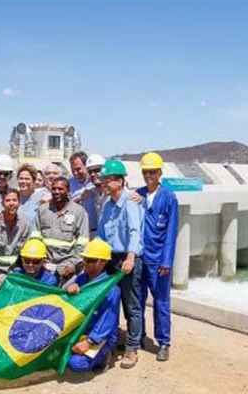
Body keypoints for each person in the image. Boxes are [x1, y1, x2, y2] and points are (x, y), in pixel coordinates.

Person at [97, 158, 144, 369]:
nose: (104, 183)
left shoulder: (131, 203)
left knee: (131, 305)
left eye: (107, 179)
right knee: (111, 303)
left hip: (129, 257)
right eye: (103, 179)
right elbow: (101, 235)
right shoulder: (107, 205)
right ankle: (110, 345)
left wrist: (131, 258)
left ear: (120, 181)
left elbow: (135, 232)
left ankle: (132, 348)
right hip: (111, 259)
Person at [137, 153, 178, 362]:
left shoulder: (169, 198)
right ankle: (138, 336)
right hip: (139, 258)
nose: (149, 176)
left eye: (152, 172)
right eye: (146, 172)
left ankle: (163, 342)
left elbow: (171, 231)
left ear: (160, 172)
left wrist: (166, 261)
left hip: (159, 260)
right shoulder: (137, 195)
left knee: (161, 301)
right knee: (138, 300)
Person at [66, 239, 120, 373]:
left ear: (103, 262)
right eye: (84, 259)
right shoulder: (82, 279)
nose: (85, 263)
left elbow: (107, 321)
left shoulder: (111, 289)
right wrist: (71, 289)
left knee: (76, 364)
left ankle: (104, 355)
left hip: (100, 335)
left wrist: (89, 342)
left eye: (90, 260)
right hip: (81, 330)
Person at [32, 177, 89, 284]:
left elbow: (82, 244)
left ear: (68, 191)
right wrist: (39, 261)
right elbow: (35, 239)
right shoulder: (42, 210)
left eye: (60, 189)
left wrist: (72, 265)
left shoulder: (79, 212)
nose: (56, 192)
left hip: (68, 269)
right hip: (44, 267)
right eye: (54, 189)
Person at [69, 151, 101, 238]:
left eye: (78, 169)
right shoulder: (69, 183)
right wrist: (77, 199)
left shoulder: (96, 181)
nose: (76, 173)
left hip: (95, 232)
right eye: (73, 170)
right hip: (75, 233)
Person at [17, 163, 49, 228]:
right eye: (21, 178)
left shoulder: (41, 196)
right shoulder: (13, 197)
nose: (23, 181)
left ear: (34, 181)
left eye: (27, 179)